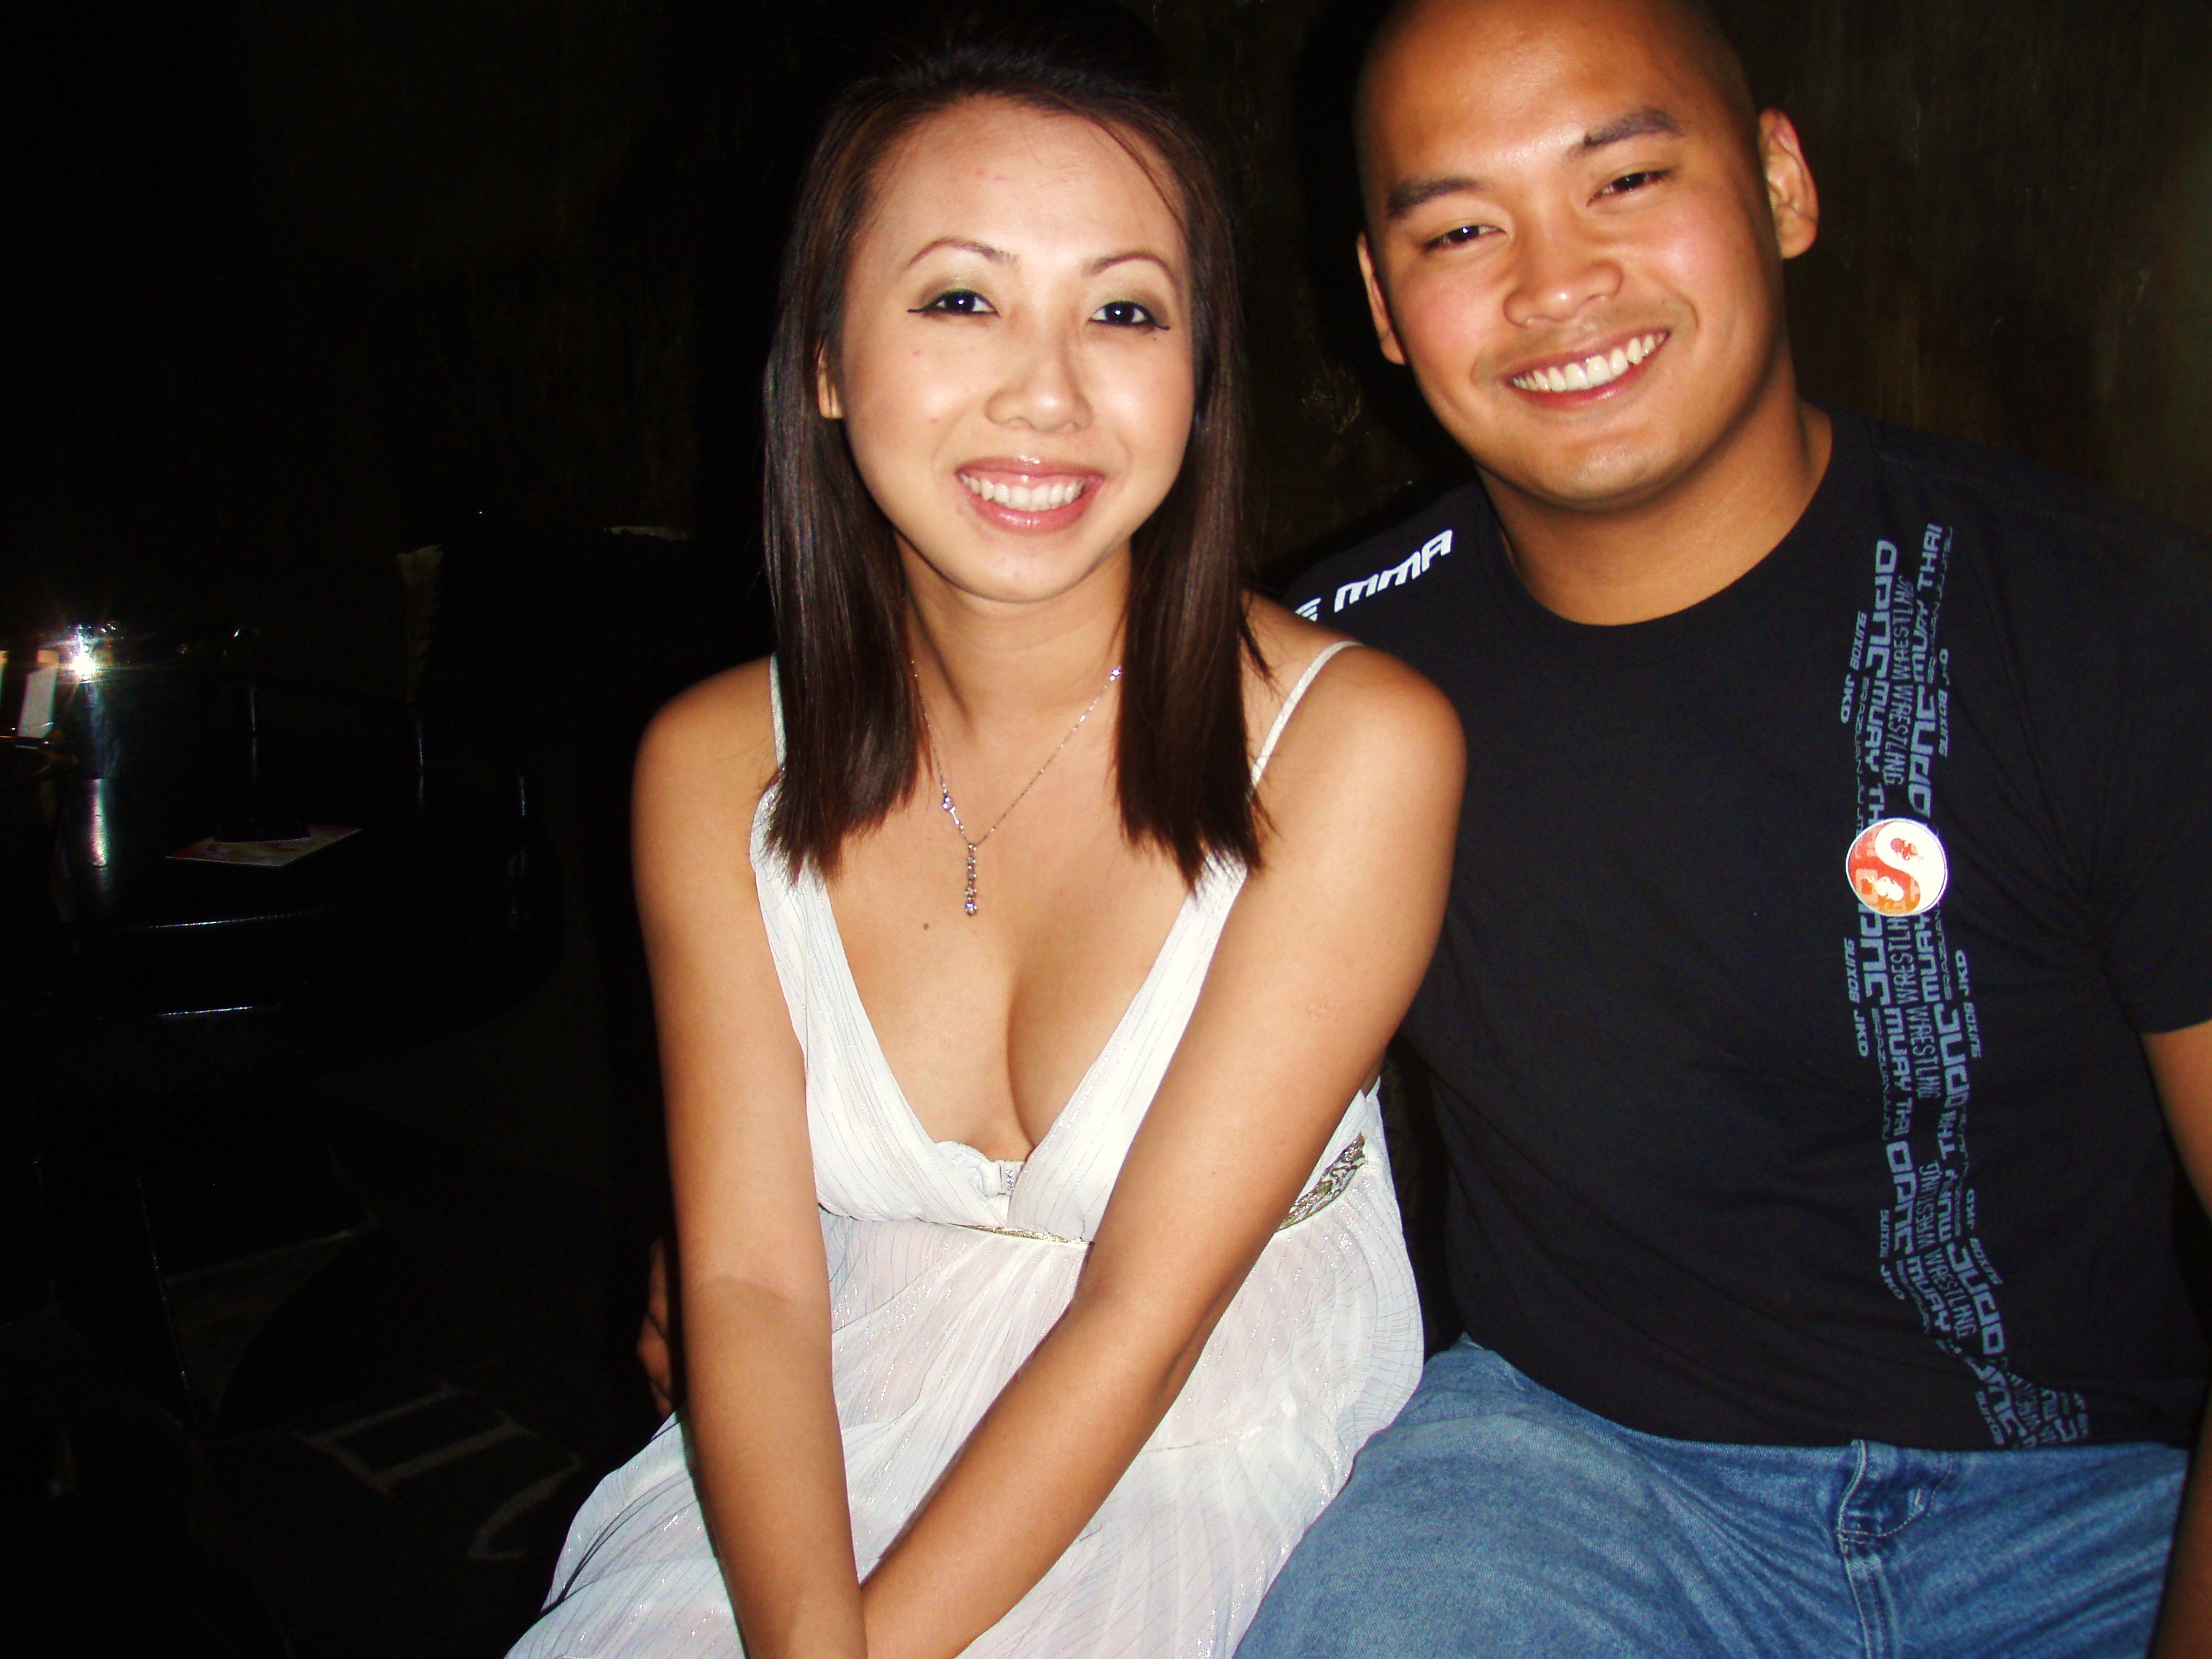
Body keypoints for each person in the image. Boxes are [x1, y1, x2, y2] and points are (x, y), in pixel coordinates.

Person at [1235, 0, 2212, 1654]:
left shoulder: (2105, 627)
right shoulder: (1328, 686)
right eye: (1461, 230)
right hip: (1578, 1473)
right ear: (1383, 309)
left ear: (1781, 187)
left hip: (2101, 1508)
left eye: (1624, 180)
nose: (1556, 283)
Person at [512, 12, 1462, 1659]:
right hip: (823, 1422)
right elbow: (747, 1285)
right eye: (961, 298)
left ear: (1198, 375)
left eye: (1125, 310)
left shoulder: (1353, 750)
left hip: (1202, 1431)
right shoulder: (712, 766)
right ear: (825, 357)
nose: (1047, 390)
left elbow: (1143, 1317)